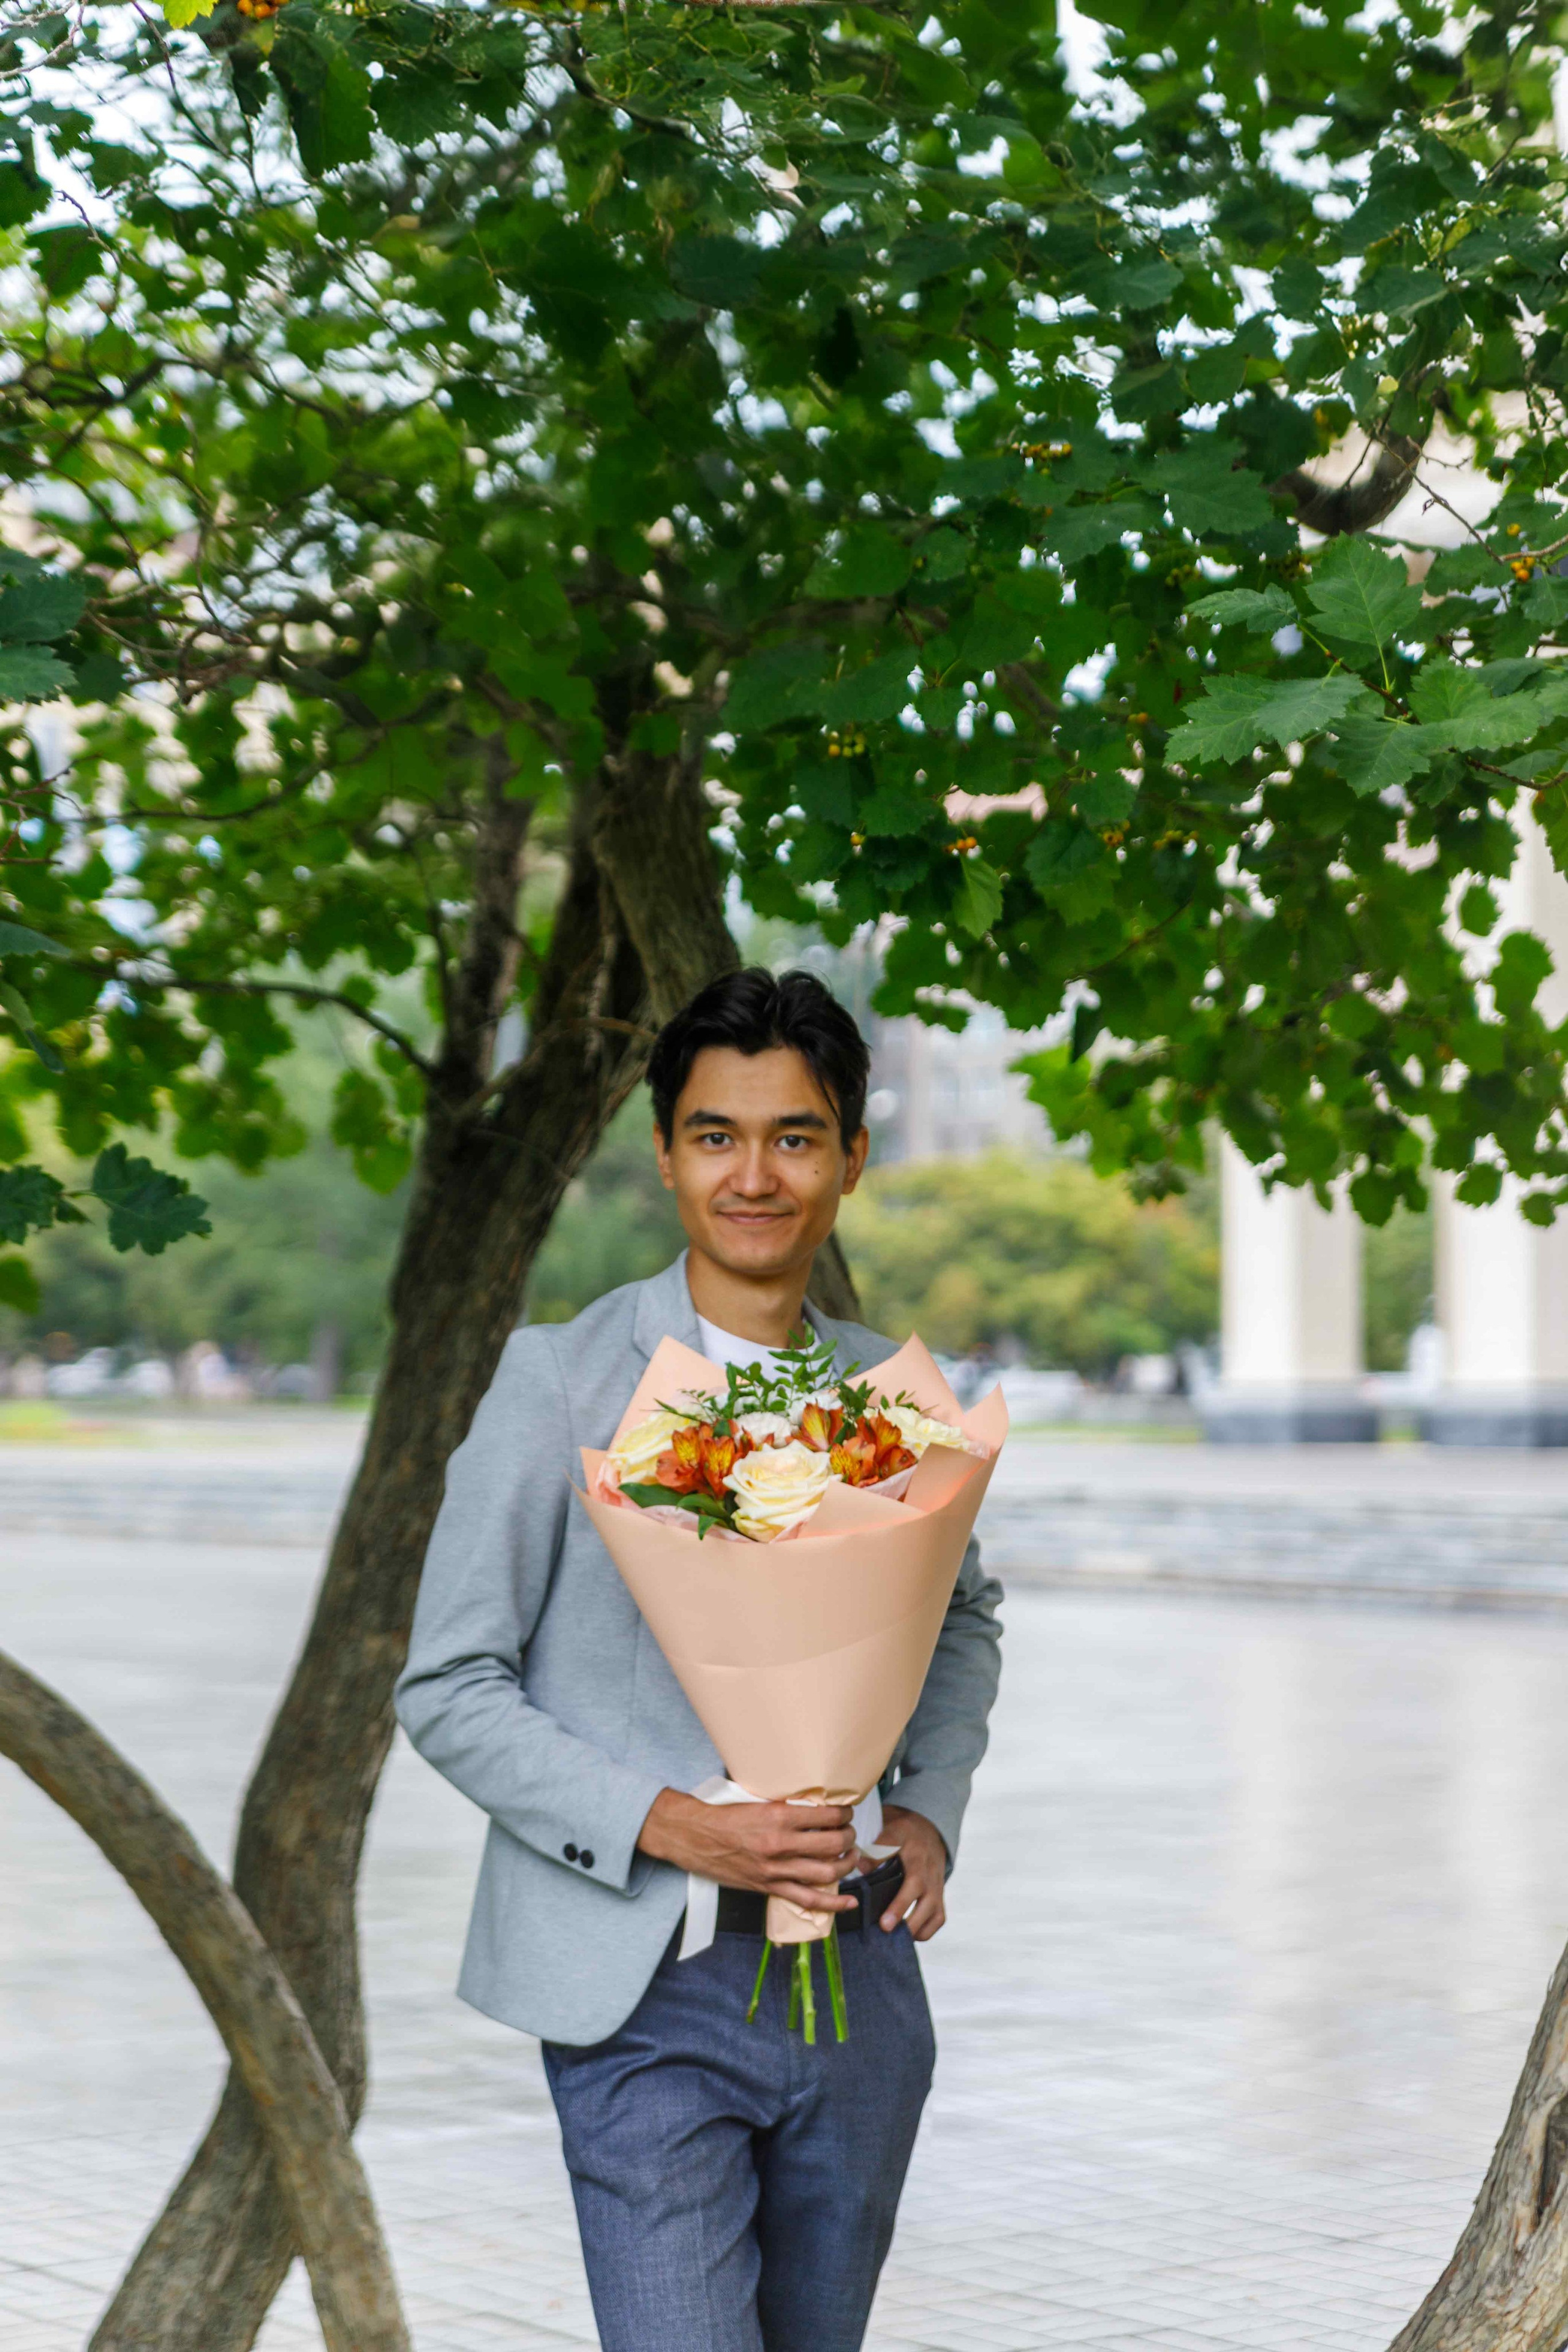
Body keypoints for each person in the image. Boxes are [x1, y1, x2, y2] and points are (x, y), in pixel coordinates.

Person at [396, 966, 1003, 2352]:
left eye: (794, 1137)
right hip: (640, 1991)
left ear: (849, 1157)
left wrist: (929, 1812)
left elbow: (959, 1615)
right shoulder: (559, 1381)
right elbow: (446, 1686)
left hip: (858, 1981)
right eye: (717, 1136)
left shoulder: (882, 1391)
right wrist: (676, 1827)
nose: (755, 1175)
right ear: (666, 1153)